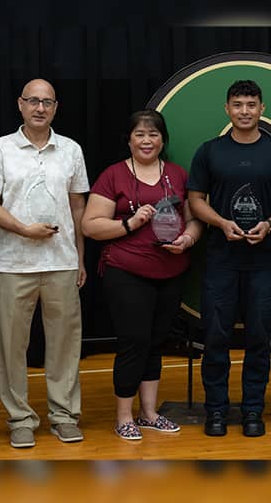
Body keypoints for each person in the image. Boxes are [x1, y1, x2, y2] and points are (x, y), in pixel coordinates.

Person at [0, 78, 89, 448]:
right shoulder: (0, 149)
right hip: (12, 264)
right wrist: (24, 229)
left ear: (56, 107)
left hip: (62, 263)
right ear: (20, 105)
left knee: (65, 345)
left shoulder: (71, 150)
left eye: (47, 102)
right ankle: (20, 418)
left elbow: (78, 209)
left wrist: (80, 259)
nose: (40, 108)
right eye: (33, 101)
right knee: (11, 347)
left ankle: (63, 416)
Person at [81, 110, 203, 440]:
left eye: (153, 134)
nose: (147, 140)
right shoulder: (113, 175)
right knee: (133, 342)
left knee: (155, 342)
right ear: (129, 140)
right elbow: (90, 226)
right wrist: (129, 224)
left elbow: (193, 219)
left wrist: (188, 238)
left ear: (163, 140)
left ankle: (148, 413)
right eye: (139, 134)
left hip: (171, 271)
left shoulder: (178, 174)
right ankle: (124, 416)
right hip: (126, 271)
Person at [187, 80, 271, 438]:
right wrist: (220, 223)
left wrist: (267, 223)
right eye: (238, 104)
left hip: (263, 262)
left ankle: (253, 411)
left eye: (252, 104)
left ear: (262, 109)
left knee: (258, 341)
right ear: (227, 109)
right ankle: (216, 412)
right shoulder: (209, 152)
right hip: (221, 260)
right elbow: (195, 199)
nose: (245, 111)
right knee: (216, 340)